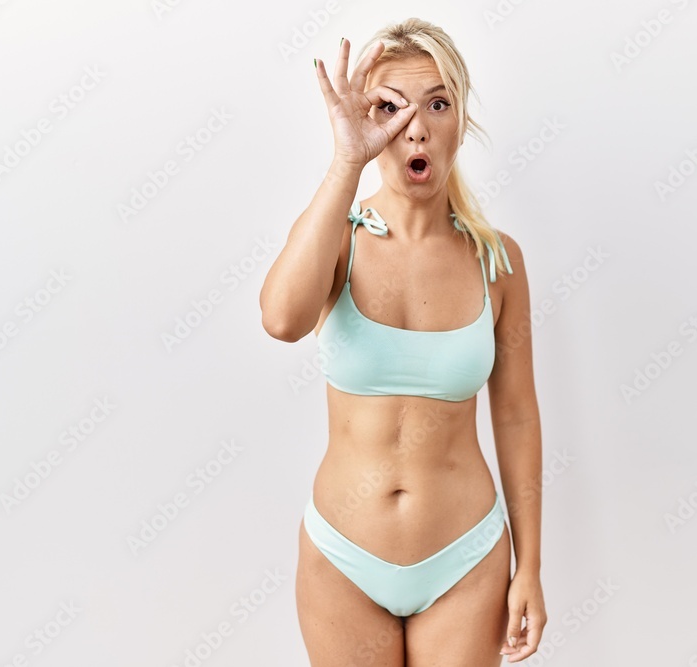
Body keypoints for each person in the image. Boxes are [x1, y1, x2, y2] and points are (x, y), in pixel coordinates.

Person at [259, 17, 546, 666]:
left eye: (437, 104)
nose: (414, 128)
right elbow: (280, 320)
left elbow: (517, 415)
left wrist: (530, 565)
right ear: (365, 118)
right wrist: (346, 162)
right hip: (343, 559)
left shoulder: (498, 261)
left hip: (466, 559)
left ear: (461, 120)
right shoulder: (338, 236)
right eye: (390, 108)